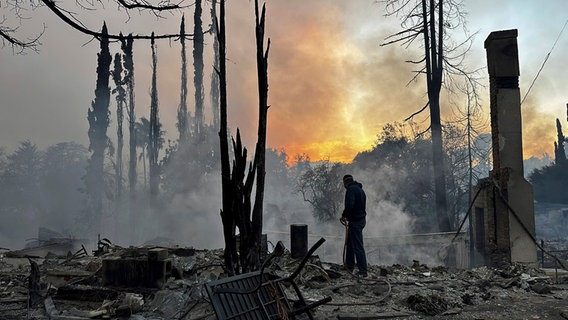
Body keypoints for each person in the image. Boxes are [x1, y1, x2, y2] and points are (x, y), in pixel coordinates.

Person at [340, 174, 368, 277]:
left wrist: (344, 215)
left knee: (357, 246)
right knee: (350, 245)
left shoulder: (350, 190)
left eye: (344, 184)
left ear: (345, 182)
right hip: (360, 220)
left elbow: (349, 205)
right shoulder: (360, 190)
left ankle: (363, 271)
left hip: (355, 222)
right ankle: (349, 266)